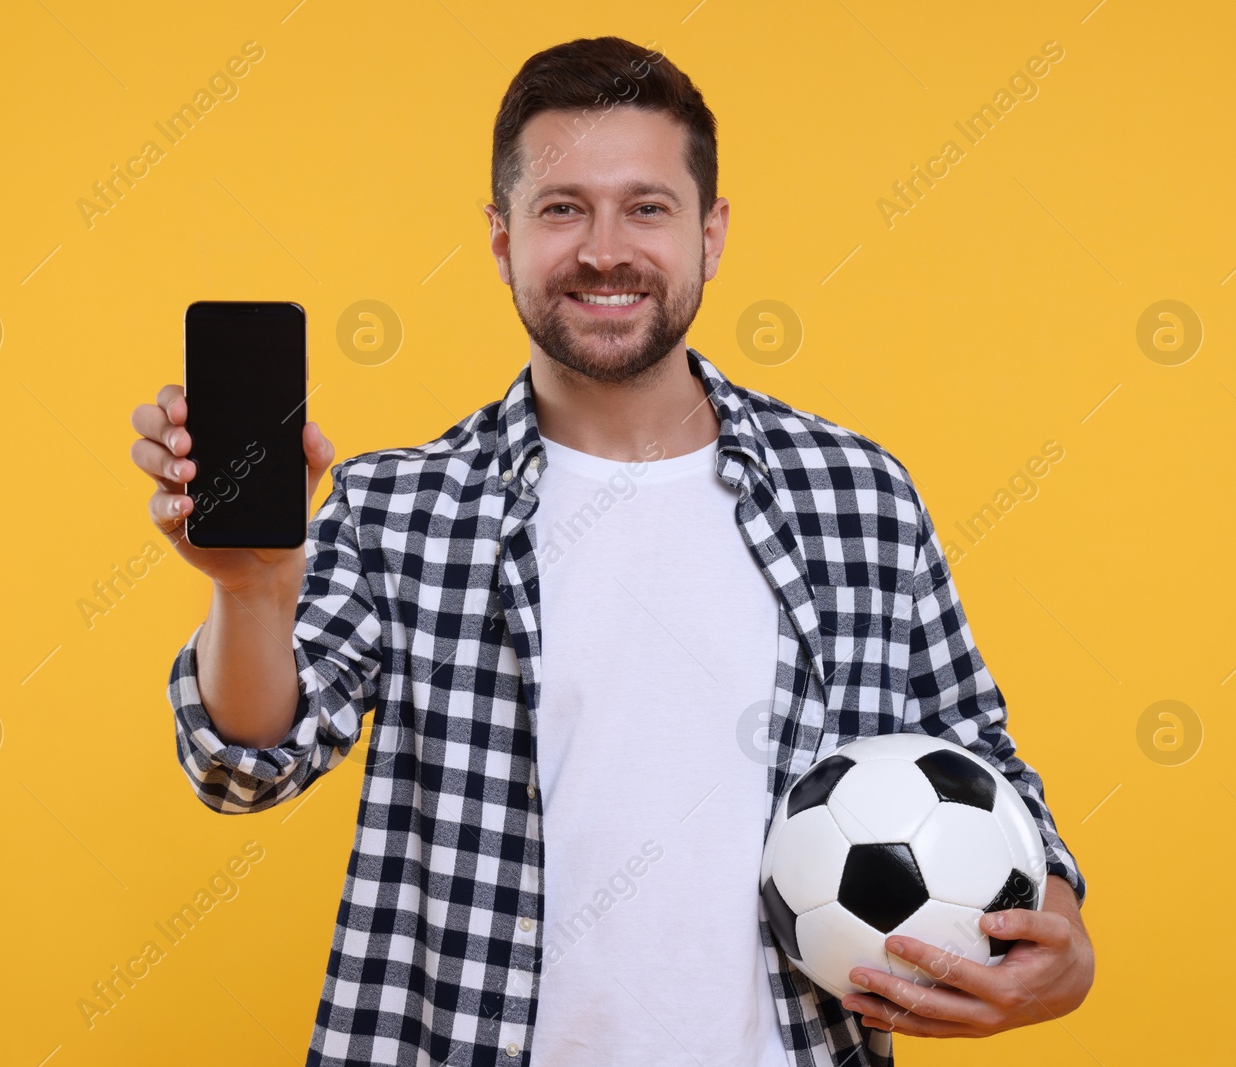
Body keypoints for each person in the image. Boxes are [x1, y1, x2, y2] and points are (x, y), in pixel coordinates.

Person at [129, 35, 1094, 1067]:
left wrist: (1066, 937)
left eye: (646, 206)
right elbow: (243, 766)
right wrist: (255, 591)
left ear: (709, 233)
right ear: (500, 240)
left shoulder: (856, 495)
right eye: (561, 208)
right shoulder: (398, 506)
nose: (603, 249)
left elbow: (976, 761)